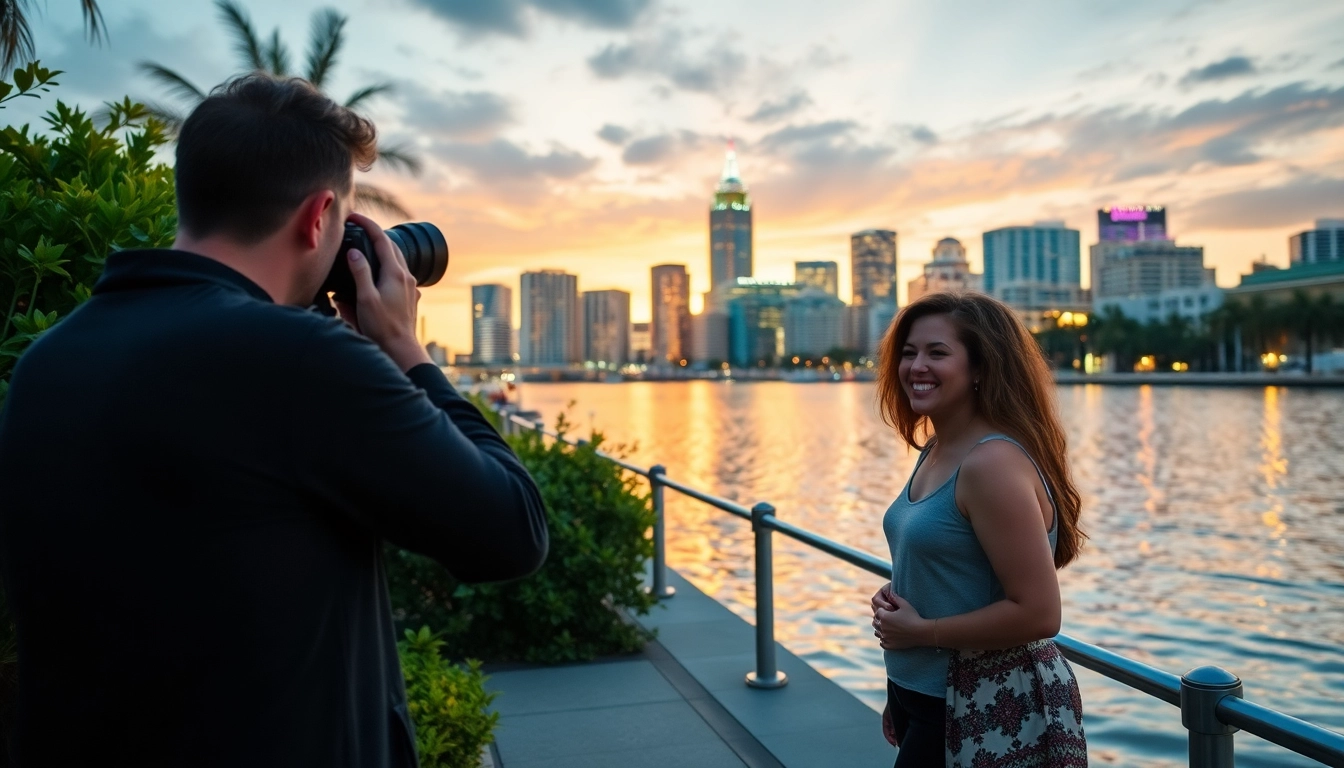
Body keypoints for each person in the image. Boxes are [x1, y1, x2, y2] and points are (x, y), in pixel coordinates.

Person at [0, 74, 549, 767]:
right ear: (319, 217)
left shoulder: (49, 362)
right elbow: (512, 531)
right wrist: (405, 349)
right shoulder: (298, 361)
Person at [869, 292, 1087, 767]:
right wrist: (901, 601)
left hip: (976, 705)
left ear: (981, 367)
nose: (916, 366)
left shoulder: (991, 464)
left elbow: (1040, 613)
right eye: (909, 352)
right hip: (922, 695)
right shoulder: (935, 450)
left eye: (937, 353)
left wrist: (921, 632)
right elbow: (952, 565)